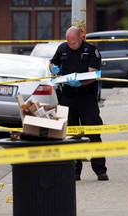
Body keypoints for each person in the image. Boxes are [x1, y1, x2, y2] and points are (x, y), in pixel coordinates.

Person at [49, 26, 108, 181]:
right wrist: (53, 69)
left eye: (74, 43)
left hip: (86, 97)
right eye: (69, 43)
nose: (71, 46)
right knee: (72, 135)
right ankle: (75, 170)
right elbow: (52, 63)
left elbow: (94, 74)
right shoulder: (62, 48)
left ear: (81, 38)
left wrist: (81, 84)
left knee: (93, 133)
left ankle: (100, 170)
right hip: (67, 97)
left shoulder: (91, 51)